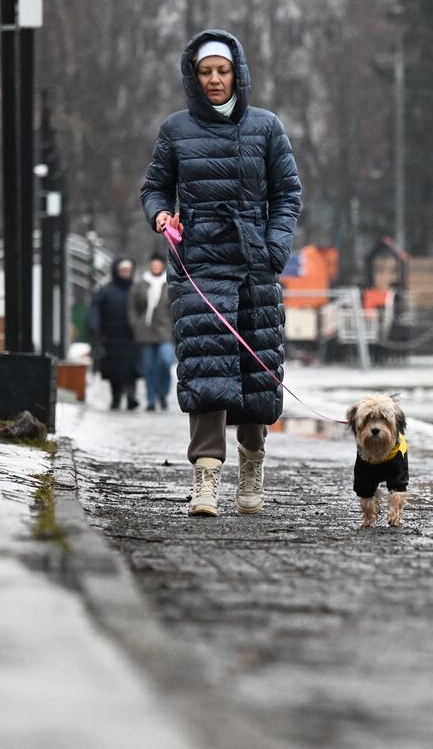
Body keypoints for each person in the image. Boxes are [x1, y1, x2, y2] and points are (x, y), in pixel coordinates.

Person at [140, 30, 302, 517]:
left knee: (257, 374)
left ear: (237, 74)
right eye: (205, 71)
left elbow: (288, 194)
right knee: (207, 370)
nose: (214, 80)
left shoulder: (266, 127)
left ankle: (252, 468)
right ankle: (206, 479)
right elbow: (154, 188)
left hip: (255, 265)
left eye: (222, 70)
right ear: (194, 75)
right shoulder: (175, 130)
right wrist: (160, 217)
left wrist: (274, 248)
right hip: (200, 265)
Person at [88, 257, 141, 410]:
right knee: (114, 372)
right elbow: (95, 309)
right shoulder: (105, 291)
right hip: (111, 337)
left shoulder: (136, 289)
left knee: (132, 370)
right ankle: (116, 398)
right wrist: (95, 327)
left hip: (132, 337)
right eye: (123, 270)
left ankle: (131, 397)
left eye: (128, 271)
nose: (126, 273)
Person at [128, 252, 175, 411]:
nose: (155, 266)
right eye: (153, 264)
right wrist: (135, 324)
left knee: (165, 361)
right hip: (145, 332)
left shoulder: (169, 283)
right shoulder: (140, 284)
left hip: (165, 331)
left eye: (158, 264)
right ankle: (151, 400)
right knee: (148, 367)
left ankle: (163, 393)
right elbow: (132, 306)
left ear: (163, 265)